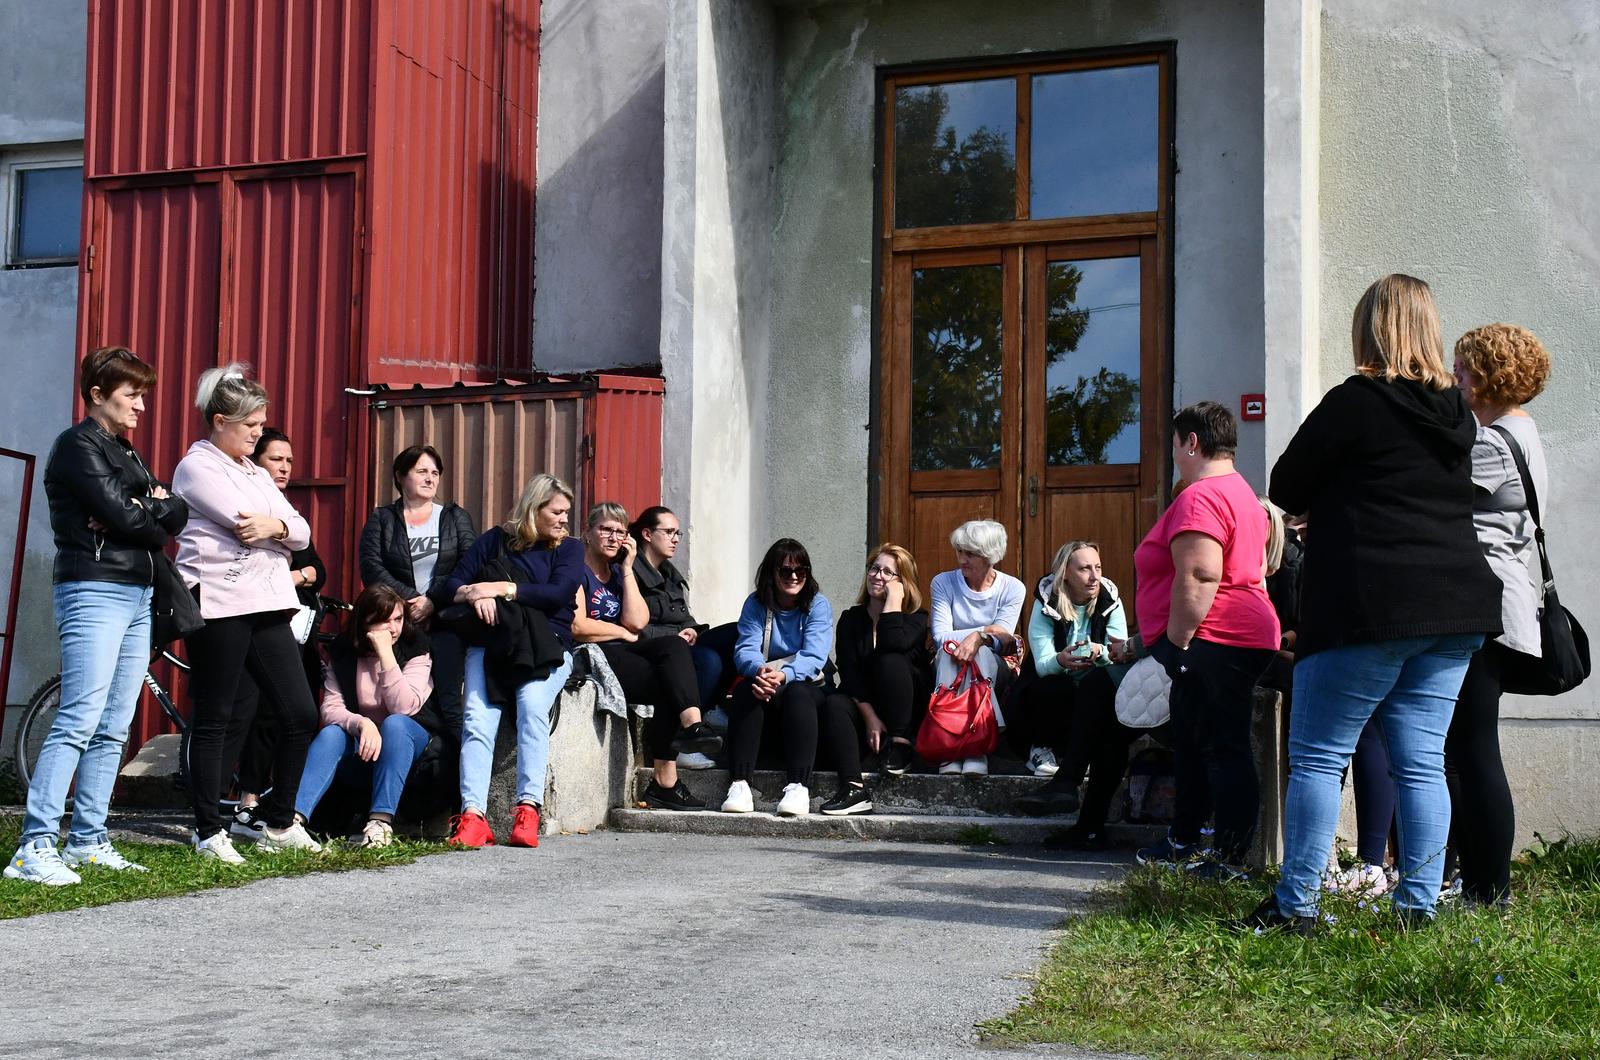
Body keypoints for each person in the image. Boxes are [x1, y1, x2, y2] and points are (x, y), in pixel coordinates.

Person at [1246, 274, 1502, 932]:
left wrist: (1325, 507)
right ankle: (1416, 906)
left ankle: (1296, 904)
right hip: (1454, 606)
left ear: (1371, 329)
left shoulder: (1356, 402)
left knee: (1319, 755)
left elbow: (1285, 481)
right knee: (1421, 762)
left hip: (1369, 603)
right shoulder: (1457, 415)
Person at [5, 347, 188, 885]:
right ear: (97, 394)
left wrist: (147, 507)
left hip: (136, 592)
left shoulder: (125, 452)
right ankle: (34, 846)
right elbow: (129, 518)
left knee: (114, 725)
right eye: (132, 395)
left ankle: (88, 839)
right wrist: (147, 509)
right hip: (93, 589)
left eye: (142, 395)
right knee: (80, 717)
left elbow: (167, 514)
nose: (141, 406)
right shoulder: (76, 447)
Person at [174, 364, 322, 862]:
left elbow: (302, 533)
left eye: (261, 424)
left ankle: (278, 820)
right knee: (218, 715)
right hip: (217, 600)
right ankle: (208, 832)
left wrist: (276, 527)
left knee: (300, 712)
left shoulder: (256, 473)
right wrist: (277, 527)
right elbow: (241, 523)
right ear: (220, 421)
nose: (259, 434)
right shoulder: (196, 467)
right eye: (251, 426)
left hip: (268, 601)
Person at [1131, 401, 1279, 877]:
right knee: (1196, 742)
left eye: (1175, 446)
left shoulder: (1201, 496)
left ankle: (1232, 858)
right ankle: (1186, 838)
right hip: (1237, 633)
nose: (1175, 456)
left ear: (1192, 442)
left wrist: (1176, 644)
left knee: (1222, 744)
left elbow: (1199, 574)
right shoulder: (1243, 494)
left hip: (1217, 636)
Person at [1445, 322, 1553, 906]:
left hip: (1487, 606)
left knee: (1474, 748)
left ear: (1487, 376)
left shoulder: (1490, 443)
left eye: (1462, 370)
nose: (1454, 380)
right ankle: (1480, 883)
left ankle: (1488, 891)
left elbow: (1437, 501)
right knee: (1471, 746)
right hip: (1502, 601)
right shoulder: (1523, 432)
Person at [441, 473, 582, 849]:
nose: (564, 520)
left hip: (547, 645)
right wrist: (474, 594)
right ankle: (473, 816)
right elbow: (449, 586)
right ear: (534, 510)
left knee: (532, 706)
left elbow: (559, 593)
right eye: (557, 512)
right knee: (476, 717)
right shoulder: (494, 541)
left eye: (566, 512)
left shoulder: (569, 549)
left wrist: (503, 589)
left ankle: (528, 808)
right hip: (492, 643)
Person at [571, 502, 721, 811]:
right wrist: (620, 633)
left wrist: (626, 570)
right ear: (587, 533)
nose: (613, 538)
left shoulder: (618, 572)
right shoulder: (576, 569)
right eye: (605, 530)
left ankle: (690, 730)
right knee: (668, 678)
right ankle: (668, 779)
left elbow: (637, 621)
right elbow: (579, 626)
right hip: (593, 653)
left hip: (621, 650)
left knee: (674, 650)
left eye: (619, 532)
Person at [230, 427, 327, 839]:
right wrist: (297, 576)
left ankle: (279, 811)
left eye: (289, 460)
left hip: (294, 630)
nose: (285, 467)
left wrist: (296, 574)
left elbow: (317, 570)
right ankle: (245, 804)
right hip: (254, 624)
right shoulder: (244, 505)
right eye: (276, 459)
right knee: (255, 714)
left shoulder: (288, 510)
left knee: (296, 713)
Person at [293, 585, 441, 848]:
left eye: (398, 619)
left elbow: (403, 707)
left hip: (411, 752)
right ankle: (291, 823)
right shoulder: (344, 651)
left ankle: (379, 824)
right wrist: (361, 723)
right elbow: (330, 708)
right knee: (332, 733)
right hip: (364, 750)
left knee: (395, 724)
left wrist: (386, 654)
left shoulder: (415, 646)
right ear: (365, 622)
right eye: (383, 621)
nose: (393, 629)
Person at [357, 445, 475, 770]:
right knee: (401, 702)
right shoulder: (382, 519)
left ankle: (459, 786)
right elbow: (372, 568)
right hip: (400, 626)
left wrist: (433, 601)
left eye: (435, 472)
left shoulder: (453, 517)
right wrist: (410, 603)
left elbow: (468, 564)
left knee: (450, 703)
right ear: (400, 476)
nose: (430, 478)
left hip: (446, 623)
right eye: (421, 471)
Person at [1012, 541, 1135, 851]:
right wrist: (1062, 660)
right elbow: (1041, 663)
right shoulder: (1047, 601)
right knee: (1054, 685)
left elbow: (1120, 651)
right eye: (1085, 568)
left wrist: (1101, 652)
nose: (1094, 576)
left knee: (1099, 686)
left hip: (1099, 689)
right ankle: (1048, 753)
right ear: (1065, 573)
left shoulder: (1110, 599)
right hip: (1057, 693)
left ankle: (1069, 784)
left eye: (1098, 568)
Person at [721, 539, 834, 817]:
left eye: (801, 570)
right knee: (747, 690)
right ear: (772, 573)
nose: (794, 577)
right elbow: (746, 647)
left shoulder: (817, 604)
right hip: (768, 678)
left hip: (807, 684)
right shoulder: (756, 603)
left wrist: (783, 676)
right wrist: (760, 672)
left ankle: (798, 785)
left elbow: (814, 656)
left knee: (797, 694)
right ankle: (740, 784)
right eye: (785, 571)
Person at [818, 544, 931, 814]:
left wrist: (892, 603)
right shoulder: (851, 619)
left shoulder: (916, 619)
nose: (876, 576)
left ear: (902, 582)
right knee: (835, 703)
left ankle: (901, 746)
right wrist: (869, 717)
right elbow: (849, 671)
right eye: (873, 568)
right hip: (866, 705)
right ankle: (854, 789)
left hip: (905, 712)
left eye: (887, 572)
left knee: (890, 660)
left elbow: (892, 644)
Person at [629, 504, 739, 762]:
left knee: (739, 633)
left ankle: (706, 711)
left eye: (678, 533)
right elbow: (634, 625)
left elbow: (684, 618)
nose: (675, 539)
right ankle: (684, 736)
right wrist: (673, 637)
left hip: (681, 643)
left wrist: (691, 630)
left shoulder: (670, 575)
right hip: (655, 650)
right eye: (669, 532)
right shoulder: (630, 572)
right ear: (647, 534)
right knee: (709, 661)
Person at [928, 520, 1026, 776]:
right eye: (960, 551)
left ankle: (966, 749)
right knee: (953, 653)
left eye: (971, 553)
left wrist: (981, 639)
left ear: (990, 555)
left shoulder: (1013, 588)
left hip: (995, 666)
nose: (962, 558)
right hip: (949, 661)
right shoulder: (943, 582)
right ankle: (972, 747)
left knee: (980, 653)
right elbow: (940, 636)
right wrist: (984, 632)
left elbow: (1003, 640)